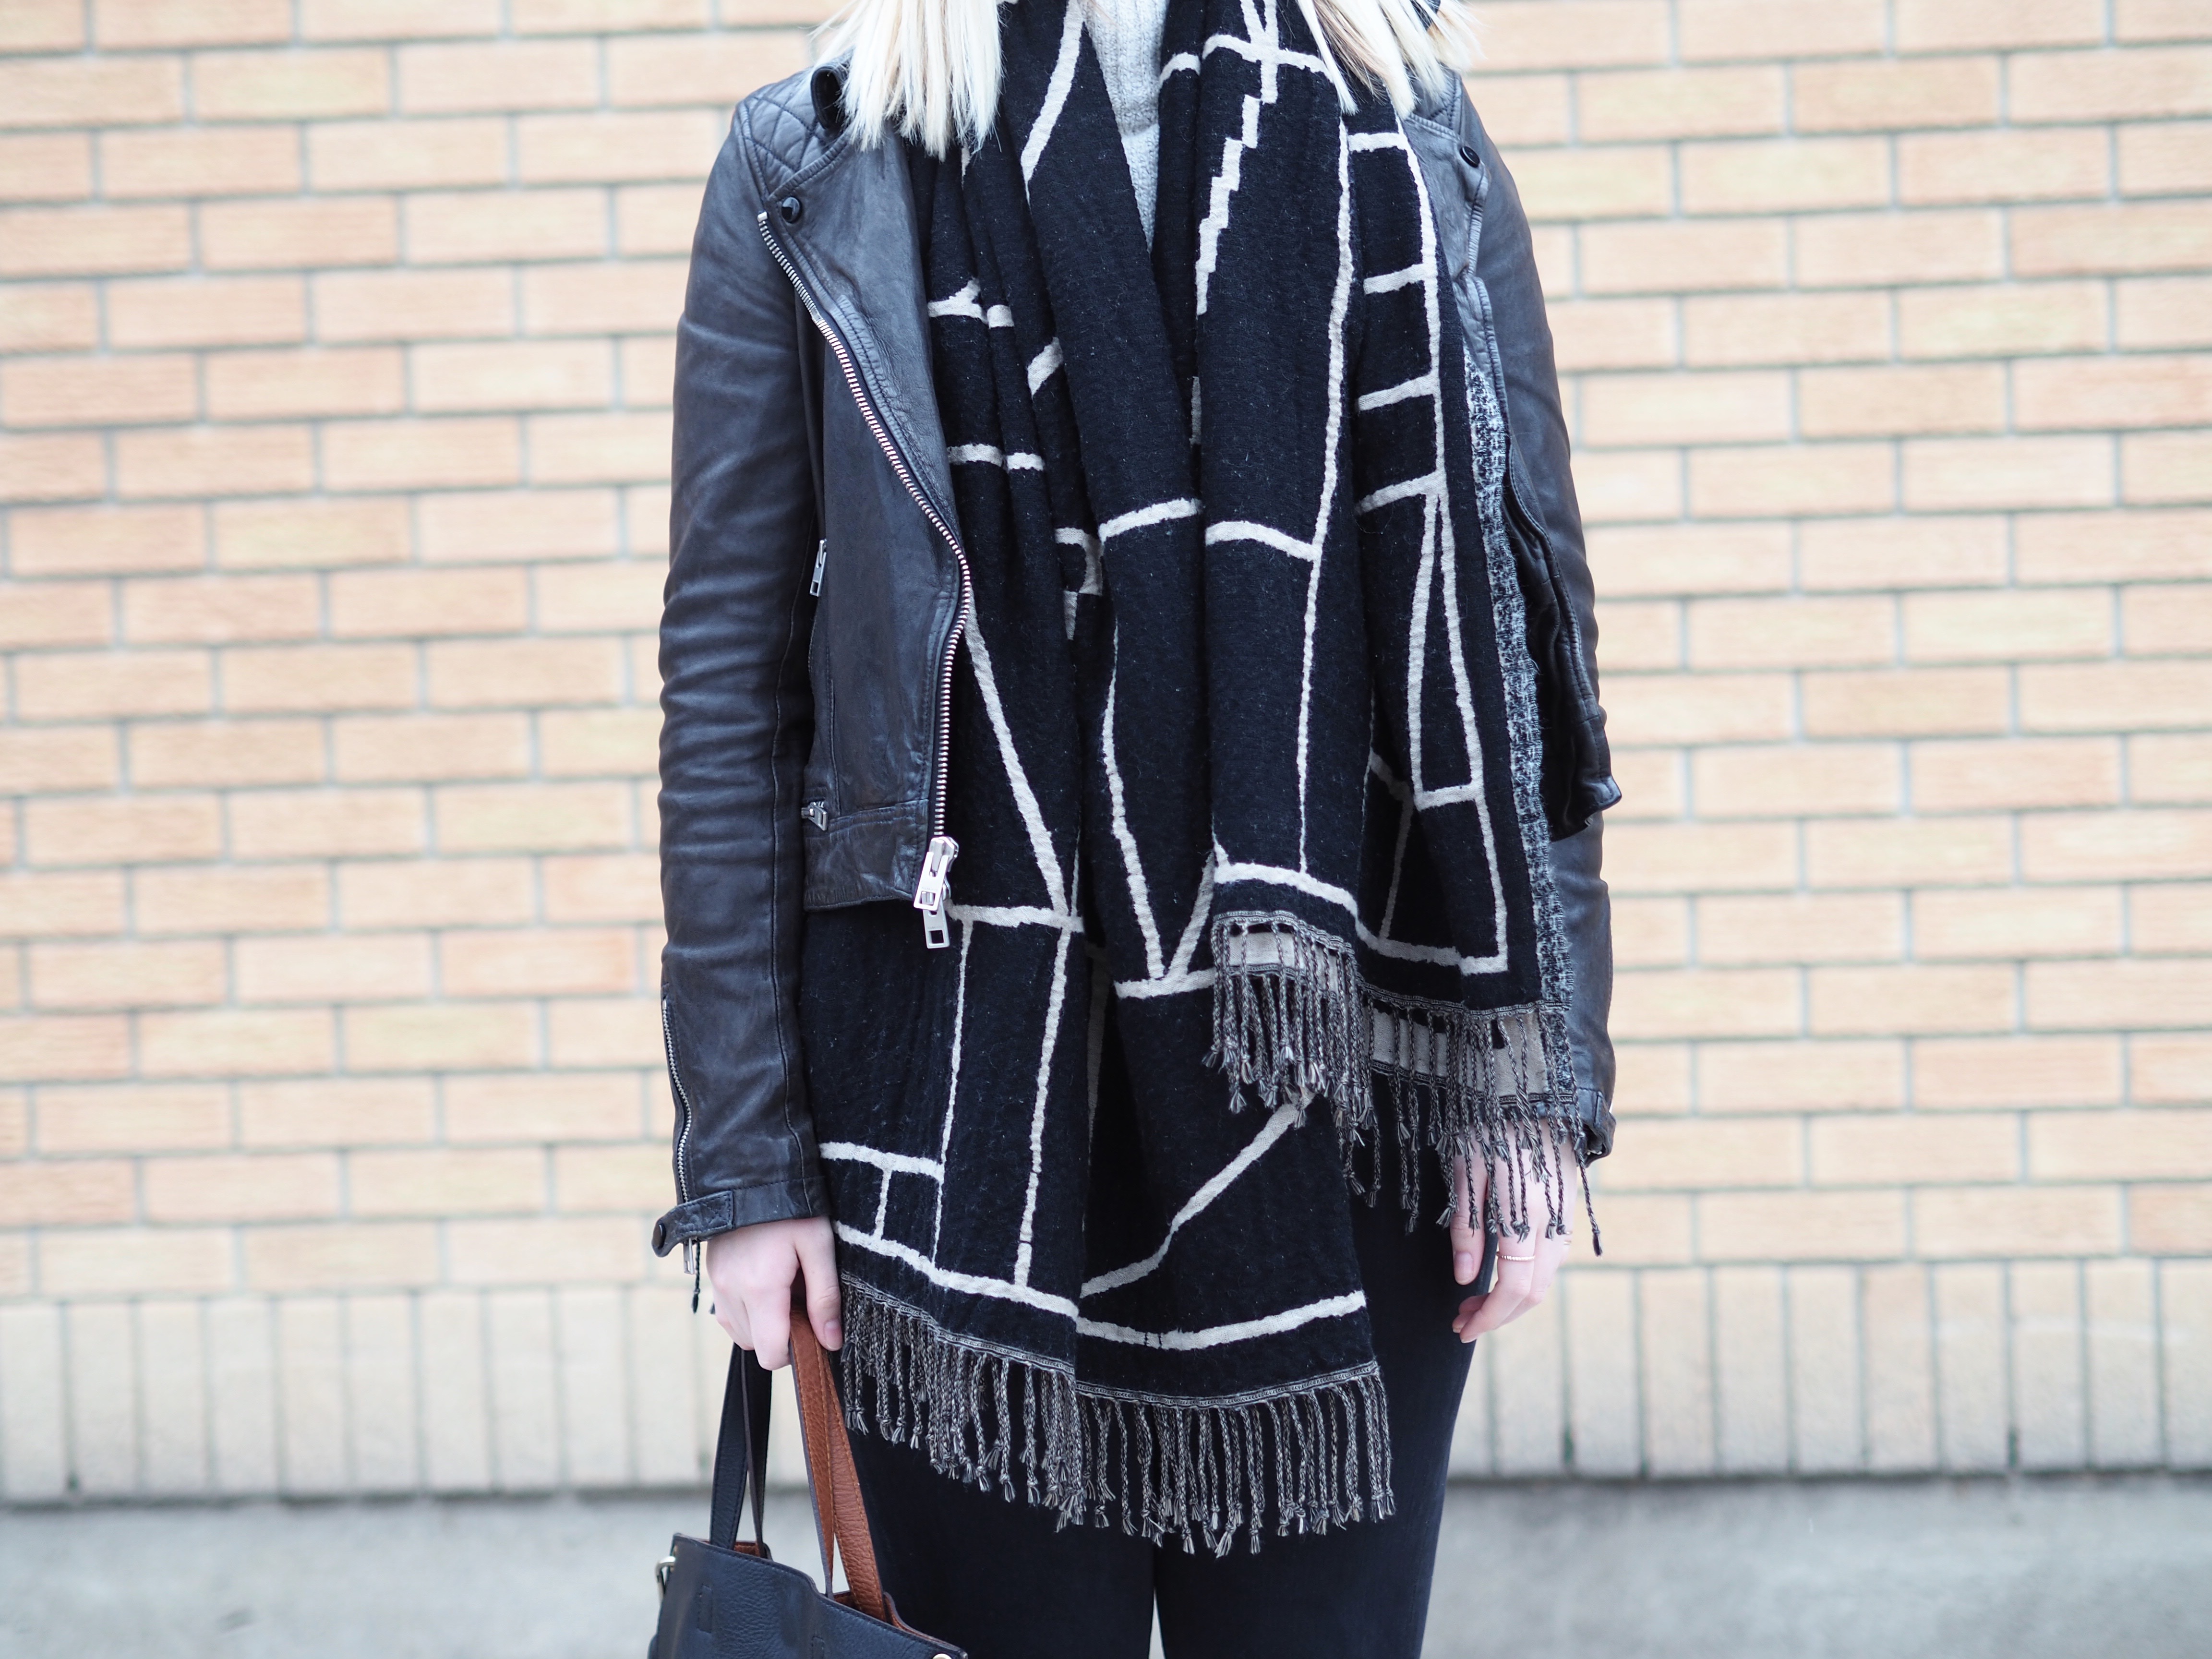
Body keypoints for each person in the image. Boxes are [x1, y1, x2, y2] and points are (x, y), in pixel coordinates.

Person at [652, 0, 1618, 1652]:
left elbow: (1527, 652)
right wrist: (749, 1164)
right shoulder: (816, 163)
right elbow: (729, 694)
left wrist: (1536, 1101)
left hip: (1343, 1090)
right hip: (956, 1123)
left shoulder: (1410, 132)